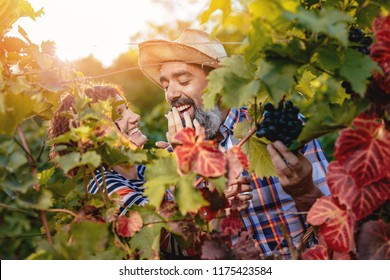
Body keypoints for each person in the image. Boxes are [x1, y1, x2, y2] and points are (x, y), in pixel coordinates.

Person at [138, 29, 330, 259]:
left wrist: (304, 191)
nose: (171, 94)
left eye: (184, 80)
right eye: (165, 85)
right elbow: (191, 250)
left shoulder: (273, 126)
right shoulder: (176, 158)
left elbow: (335, 219)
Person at [48, 82, 148, 216]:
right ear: (92, 136)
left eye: (128, 108)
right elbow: (168, 228)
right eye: (118, 114)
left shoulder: (144, 171)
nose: (136, 117)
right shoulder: (105, 188)